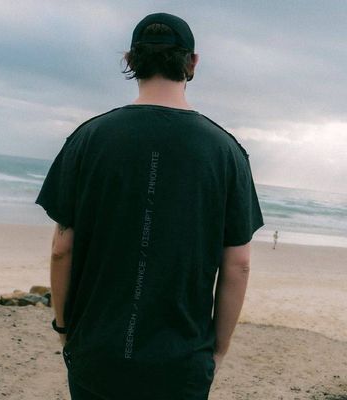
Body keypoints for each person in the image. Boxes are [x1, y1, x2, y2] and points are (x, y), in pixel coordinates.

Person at [35, 12, 264, 400]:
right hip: (182, 362)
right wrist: (218, 350)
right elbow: (238, 264)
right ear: (192, 63)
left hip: (98, 354)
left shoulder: (89, 139)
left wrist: (64, 329)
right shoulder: (226, 153)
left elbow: (62, 249)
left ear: (131, 60)